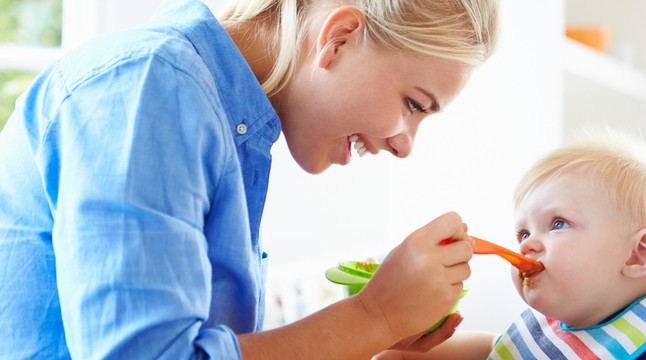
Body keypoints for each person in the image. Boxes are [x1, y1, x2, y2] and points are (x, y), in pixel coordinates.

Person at [0, 0, 499, 358]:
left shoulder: (216, 117)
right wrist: (372, 317)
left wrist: (366, 334)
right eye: (414, 104)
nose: (404, 144)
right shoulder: (148, 87)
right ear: (338, 37)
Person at [376, 129, 646, 359]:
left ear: (638, 254)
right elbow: (499, 350)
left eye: (558, 224)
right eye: (522, 234)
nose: (528, 244)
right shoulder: (545, 331)